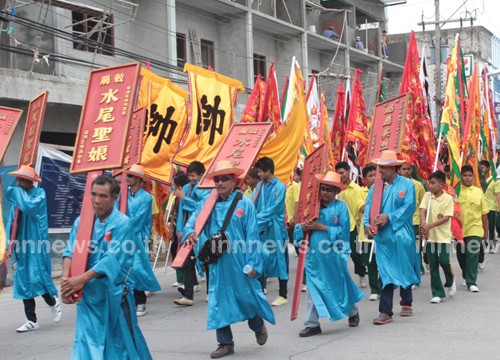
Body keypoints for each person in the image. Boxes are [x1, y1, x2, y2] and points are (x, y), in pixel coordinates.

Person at [184, 161, 275, 358]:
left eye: (225, 178)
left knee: (246, 297)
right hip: (217, 261)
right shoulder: (207, 202)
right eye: (217, 179)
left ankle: (258, 325)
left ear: (234, 180)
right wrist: (190, 231)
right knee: (217, 300)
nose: (220, 183)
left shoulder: (245, 203)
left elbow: (252, 236)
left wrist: (253, 264)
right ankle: (225, 343)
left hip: (240, 261)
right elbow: (193, 219)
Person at [61, 175, 152, 359]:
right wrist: (66, 283)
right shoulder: (82, 222)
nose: (96, 201)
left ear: (114, 197)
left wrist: (81, 279)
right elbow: (71, 251)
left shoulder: (122, 223)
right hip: (89, 296)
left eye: (103, 196)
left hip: (115, 295)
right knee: (87, 343)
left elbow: (112, 259)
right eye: (93, 195)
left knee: (123, 344)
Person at [294, 171, 364, 337]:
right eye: (323, 188)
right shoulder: (311, 207)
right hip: (313, 257)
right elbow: (298, 228)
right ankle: (312, 324)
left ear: (337, 192)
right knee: (313, 289)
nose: (324, 192)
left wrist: (322, 227)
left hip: (333, 255)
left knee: (340, 285)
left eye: (329, 189)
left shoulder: (341, 208)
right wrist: (302, 228)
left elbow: (344, 233)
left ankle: (353, 311)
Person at [364, 150, 420, 325]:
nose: (379, 171)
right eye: (379, 166)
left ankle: (406, 301)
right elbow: (369, 208)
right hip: (383, 237)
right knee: (386, 272)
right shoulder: (376, 187)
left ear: (394, 168)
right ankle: (385, 311)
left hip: (401, 234)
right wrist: (367, 224)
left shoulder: (407, 184)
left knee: (404, 266)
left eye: (383, 167)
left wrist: (389, 217)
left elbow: (409, 207)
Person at [5, 165, 61, 332]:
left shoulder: (39, 195)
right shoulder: (19, 196)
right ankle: (31, 320)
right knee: (23, 281)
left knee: (37, 277)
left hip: (36, 243)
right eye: (18, 179)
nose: (18, 182)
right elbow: (12, 222)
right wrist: (10, 244)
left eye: (22, 179)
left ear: (31, 182)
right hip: (22, 244)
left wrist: (15, 191)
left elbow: (29, 206)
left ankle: (53, 302)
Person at [119, 164, 161, 317]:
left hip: (137, 237)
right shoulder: (122, 195)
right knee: (123, 268)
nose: (126, 178)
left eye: (129, 176)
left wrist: (122, 226)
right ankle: (127, 301)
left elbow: (140, 219)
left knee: (137, 268)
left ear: (138, 178)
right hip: (122, 236)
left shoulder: (147, 197)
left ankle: (141, 301)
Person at [251, 157, 289, 306]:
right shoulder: (260, 186)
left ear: (268, 171)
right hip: (261, 228)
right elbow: (252, 203)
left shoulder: (280, 187)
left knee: (280, 260)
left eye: (260, 172)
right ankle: (260, 293)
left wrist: (255, 219)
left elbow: (273, 210)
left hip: (275, 229)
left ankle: (283, 294)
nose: (258, 174)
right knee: (260, 258)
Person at [175, 161, 210, 305]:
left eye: (194, 175)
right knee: (188, 262)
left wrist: (183, 198)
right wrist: (179, 229)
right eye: (189, 175)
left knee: (207, 261)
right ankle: (188, 295)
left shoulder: (207, 189)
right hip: (188, 231)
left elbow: (201, 208)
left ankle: (211, 291)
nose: (191, 179)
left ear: (202, 175)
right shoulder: (185, 187)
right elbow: (181, 210)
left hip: (202, 230)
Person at [420, 171, 456, 303]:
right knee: (433, 263)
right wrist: (424, 225)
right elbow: (423, 210)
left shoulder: (448, 199)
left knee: (444, 261)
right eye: (429, 182)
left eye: (433, 183)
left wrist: (431, 225)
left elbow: (446, 218)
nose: (430, 185)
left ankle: (451, 280)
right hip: (431, 237)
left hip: (443, 236)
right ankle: (437, 293)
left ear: (441, 184)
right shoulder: (427, 196)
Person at [456, 165, 489, 292]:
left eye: (470, 175)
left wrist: (486, 231)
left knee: (473, 254)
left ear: (473, 176)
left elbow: (484, 213)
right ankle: (465, 273)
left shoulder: (478, 191)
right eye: (465, 175)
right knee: (461, 254)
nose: (467, 178)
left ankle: (471, 282)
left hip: (475, 228)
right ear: (461, 176)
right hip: (459, 229)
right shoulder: (456, 191)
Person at [335, 161, 367, 288]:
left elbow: (361, 208)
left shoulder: (357, 190)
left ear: (348, 171)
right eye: (338, 174)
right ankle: (341, 280)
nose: (341, 176)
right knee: (339, 256)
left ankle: (361, 274)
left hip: (353, 227)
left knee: (355, 254)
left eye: (342, 173)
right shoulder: (336, 190)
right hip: (339, 228)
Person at [400, 162, 426, 274]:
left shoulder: (418, 185)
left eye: (408, 169)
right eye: (404, 169)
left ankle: (418, 267)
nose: (406, 171)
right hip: (401, 222)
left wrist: (424, 221)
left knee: (416, 247)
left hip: (415, 221)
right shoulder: (395, 184)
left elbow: (424, 204)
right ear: (399, 170)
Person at [359, 165, 379, 301]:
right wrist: (375, 202)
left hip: (382, 232)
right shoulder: (361, 192)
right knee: (371, 263)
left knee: (383, 261)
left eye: (375, 175)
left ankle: (385, 285)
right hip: (367, 233)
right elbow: (362, 207)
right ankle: (374, 290)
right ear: (364, 178)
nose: (373, 178)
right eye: (370, 176)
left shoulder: (385, 190)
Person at [170, 173, 189, 288]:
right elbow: (174, 214)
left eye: (176, 186)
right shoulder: (176, 198)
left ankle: (191, 282)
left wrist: (182, 230)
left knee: (186, 257)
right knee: (175, 252)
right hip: (177, 230)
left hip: (185, 231)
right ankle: (180, 279)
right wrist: (171, 229)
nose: (174, 188)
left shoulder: (186, 197)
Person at [479, 160, 500, 253]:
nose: (481, 169)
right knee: (481, 226)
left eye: (483, 167)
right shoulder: (478, 180)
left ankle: (491, 246)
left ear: (488, 168)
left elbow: (497, 194)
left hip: (491, 207)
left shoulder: (494, 180)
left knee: (491, 227)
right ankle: (483, 244)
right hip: (480, 207)